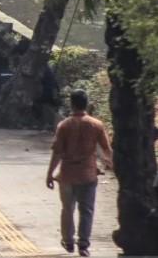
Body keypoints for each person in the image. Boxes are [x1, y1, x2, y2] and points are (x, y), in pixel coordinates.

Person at [46, 89, 114, 257]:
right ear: (87, 104)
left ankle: (68, 241)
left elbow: (57, 153)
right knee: (87, 210)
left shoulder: (64, 125)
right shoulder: (96, 125)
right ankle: (83, 244)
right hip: (88, 174)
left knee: (67, 209)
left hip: (67, 175)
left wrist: (49, 174)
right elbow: (107, 149)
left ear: (71, 104)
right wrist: (110, 163)